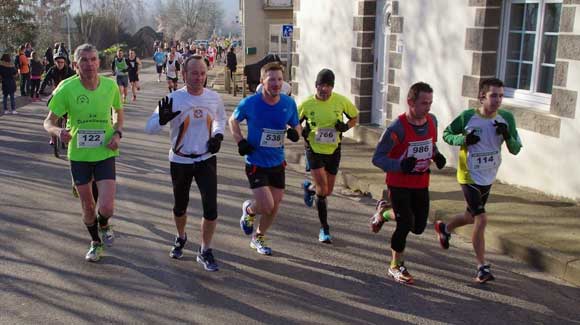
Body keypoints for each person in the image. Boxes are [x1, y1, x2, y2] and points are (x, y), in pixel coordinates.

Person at [434, 78, 522, 284]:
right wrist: (463, 140)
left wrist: (508, 135)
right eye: (493, 95)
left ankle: (445, 228)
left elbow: (516, 148)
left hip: (488, 175)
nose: (498, 100)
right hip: (469, 175)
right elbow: (447, 134)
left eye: (501, 96)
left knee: (470, 216)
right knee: (481, 218)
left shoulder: (507, 117)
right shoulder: (468, 117)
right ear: (482, 97)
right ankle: (482, 267)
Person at [145, 55, 227, 272]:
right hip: (180, 161)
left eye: (202, 73)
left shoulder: (214, 98)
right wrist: (161, 120)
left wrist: (218, 136)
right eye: (194, 73)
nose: (199, 77)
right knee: (180, 207)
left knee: (211, 208)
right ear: (183, 75)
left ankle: (205, 249)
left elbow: (220, 119)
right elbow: (150, 128)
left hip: (206, 159)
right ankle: (181, 237)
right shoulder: (174, 99)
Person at [43, 43, 124, 262]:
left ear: (99, 62)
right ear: (76, 65)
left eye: (93, 59)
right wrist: (58, 131)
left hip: (105, 153)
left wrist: (117, 134)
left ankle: (104, 222)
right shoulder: (66, 88)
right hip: (79, 155)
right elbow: (48, 122)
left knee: (107, 206)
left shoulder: (110, 86)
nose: (89, 64)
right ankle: (95, 242)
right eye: (84, 61)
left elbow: (118, 112)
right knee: (88, 205)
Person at [371, 82, 447, 284]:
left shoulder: (432, 121)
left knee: (418, 226)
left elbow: (431, 145)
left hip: (421, 182)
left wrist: (437, 156)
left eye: (430, 103)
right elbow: (378, 158)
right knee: (405, 224)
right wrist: (400, 165)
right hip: (399, 183)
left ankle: (384, 212)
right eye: (424, 103)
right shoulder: (396, 128)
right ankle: (396, 266)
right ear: (410, 102)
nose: (428, 107)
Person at [228, 62, 301, 256]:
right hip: (256, 162)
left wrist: (295, 133)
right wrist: (240, 141)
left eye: (279, 79)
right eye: (271, 80)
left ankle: (258, 236)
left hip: (277, 162)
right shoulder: (250, 103)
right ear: (262, 81)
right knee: (266, 205)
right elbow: (233, 120)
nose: (276, 83)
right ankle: (249, 210)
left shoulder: (288, 103)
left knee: (274, 206)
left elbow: (297, 125)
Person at [298, 69, 358, 243]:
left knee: (327, 190)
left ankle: (309, 188)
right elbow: (294, 122)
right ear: (316, 86)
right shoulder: (307, 104)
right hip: (314, 149)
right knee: (323, 191)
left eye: (328, 86)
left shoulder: (340, 101)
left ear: (332, 87)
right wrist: (303, 131)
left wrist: (345, 127)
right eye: (321, 86)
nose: (324, 90)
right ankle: (324, 229)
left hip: (333, 150)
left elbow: (354, 117)